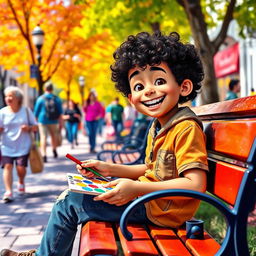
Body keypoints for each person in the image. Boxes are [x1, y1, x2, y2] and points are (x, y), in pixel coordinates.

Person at [0, 31, 209, 256]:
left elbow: (195, 184)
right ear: (131, 99)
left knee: (71, 201)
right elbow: (152, 169)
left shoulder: (185, 127)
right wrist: (109, 169)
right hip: (151, 202)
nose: (149, 90)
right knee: (72, 194)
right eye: (139, 86)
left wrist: (136, 188)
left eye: (159, 81)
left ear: (184, 87)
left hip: (160, 211)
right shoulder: (160, 125)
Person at [0, 86, 38, 203]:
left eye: (11, 96)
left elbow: (36, 127)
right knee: (7, 166)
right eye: (7, 96)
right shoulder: (2, 112)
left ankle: (21, 180)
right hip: (6, 145)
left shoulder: (26, 111)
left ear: (18, 98)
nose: (8, 98)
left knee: (20, 168)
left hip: (23, 145)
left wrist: (29, 128)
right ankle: (8, 191)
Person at [34, 82, 63, 163]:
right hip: (54, 120)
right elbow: (60, 113)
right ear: (52, 89)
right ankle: (54, 150)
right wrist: (61, 123)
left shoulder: (40, 99)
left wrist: (34, 124)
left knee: (43, 137)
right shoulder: (56, 99)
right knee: (53, 136)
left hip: (42, 120)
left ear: (44, 89)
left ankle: (44, 154)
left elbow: (36, 112)